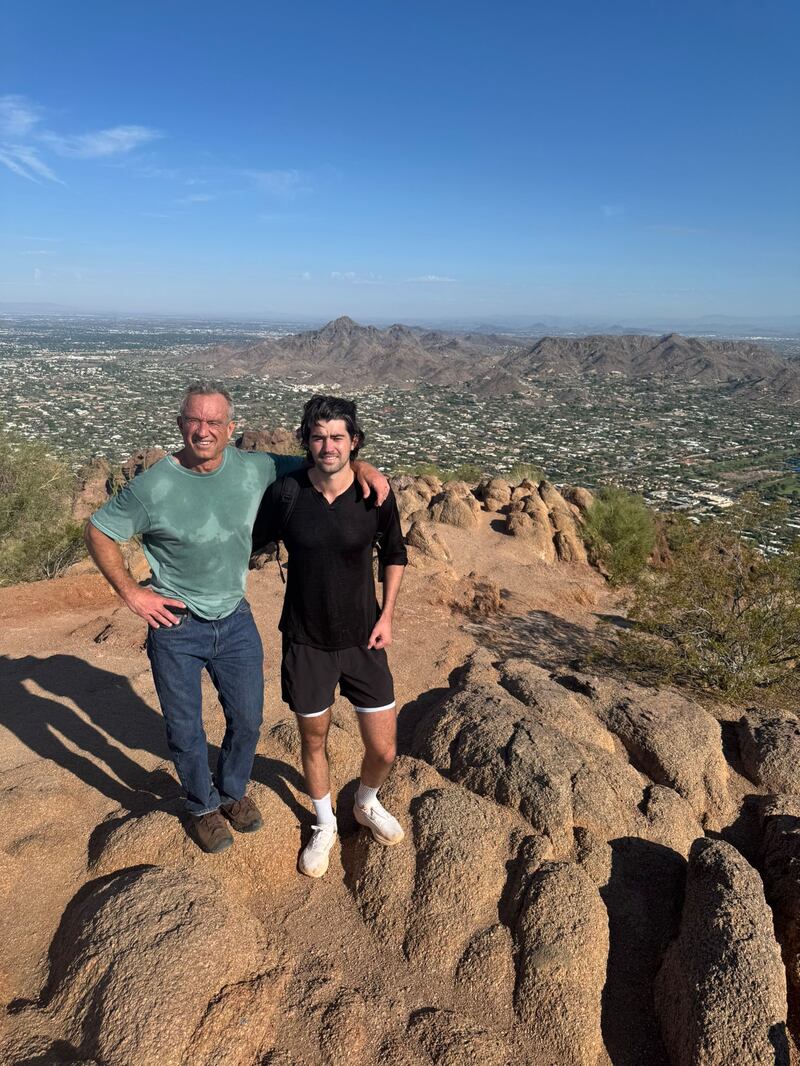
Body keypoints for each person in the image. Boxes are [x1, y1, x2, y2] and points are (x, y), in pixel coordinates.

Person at [84, 381, 388, 854]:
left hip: (235, 617)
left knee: (247, 719)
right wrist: (132, 593)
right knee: (185, 728)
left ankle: (232, 792)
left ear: (230, 429)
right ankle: (202, 806)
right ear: (180, 424)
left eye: (213, 422)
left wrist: (364, 464)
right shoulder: (154, 486)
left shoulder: (255, 467)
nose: (203, 431)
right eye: (194, 421)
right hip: (176, 623)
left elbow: (324, 464)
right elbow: (99, 530)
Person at [262, 394, 407, 878]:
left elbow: (394, 555)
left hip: (364, 637)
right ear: (307, 441)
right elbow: (243, 539)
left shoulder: (375, 496)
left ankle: (365, 802)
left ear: (354, 442)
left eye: (338, 437)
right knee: (315, 738)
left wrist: (386, 615)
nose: (328, 445)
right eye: (319, 436)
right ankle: (324, 823)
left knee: (384, 748)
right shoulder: (286, 494)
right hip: (305, 639)